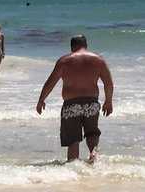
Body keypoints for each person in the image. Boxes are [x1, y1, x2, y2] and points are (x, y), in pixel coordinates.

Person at [36, 34, 114, 163]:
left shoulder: (64, 61)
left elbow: (51, 82)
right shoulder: (99, 60)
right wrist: (108, 101)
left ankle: (73, 165)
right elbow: (108, 83)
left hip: (71, 106)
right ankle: (94, 154)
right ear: (86, 45)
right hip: (91, 104)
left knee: (73, 139)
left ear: (71, 47)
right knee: (92, 132)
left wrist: (41, 100)